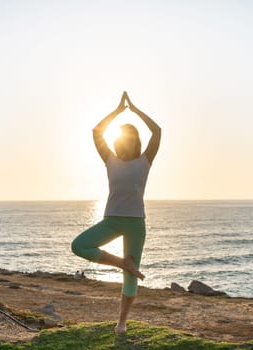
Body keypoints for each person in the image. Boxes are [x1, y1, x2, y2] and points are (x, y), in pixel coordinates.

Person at [71, 91, 161, 335]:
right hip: (110, 219)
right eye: (125, 137)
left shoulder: (146, 160)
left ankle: (121, 322)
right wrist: (118, 111)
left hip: (135, 223)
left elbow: (157, 131)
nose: (128, 141)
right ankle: (124, 263)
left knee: (129, 279)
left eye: (132, 137)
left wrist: (135, 109)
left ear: (137, 140)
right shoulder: (110, 159)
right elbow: (96, 131)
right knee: (79, 246)